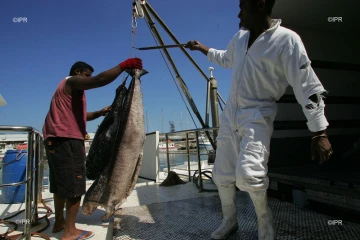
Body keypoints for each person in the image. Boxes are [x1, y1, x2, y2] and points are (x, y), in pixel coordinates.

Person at [186, 0, 333, 239]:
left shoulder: (287, 40)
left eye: (242, 6)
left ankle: (266, 224)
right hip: (229, 116)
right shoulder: (240, 38)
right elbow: (225, 58)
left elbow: (307, 86)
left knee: (249, 175)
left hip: (257, 116)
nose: (238, 13)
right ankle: (229, 220)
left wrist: (319, 132)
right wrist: (201, 47)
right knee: (221, 175)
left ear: (261, 5)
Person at [42, 58, 142, 240]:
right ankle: (70, 232)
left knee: (60, 186)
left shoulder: (65, 92)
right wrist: (122, 66)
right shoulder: (71, 81)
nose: (89, 78)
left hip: (54, 141)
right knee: (74, 187)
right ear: (78, 72)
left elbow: (81, 115)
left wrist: (99, 113)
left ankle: (59, 222)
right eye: (87, 75)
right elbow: (98, 81)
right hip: (67, 141)